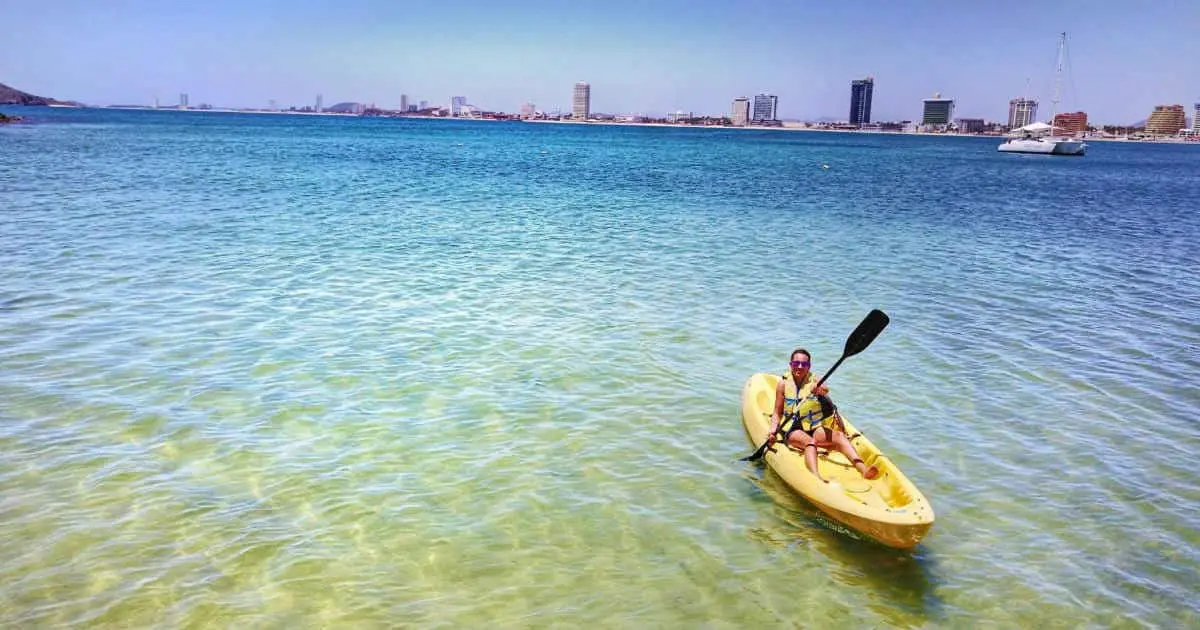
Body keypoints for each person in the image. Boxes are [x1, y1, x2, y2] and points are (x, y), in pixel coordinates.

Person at [765, 347, 879, 483]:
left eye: (804, 364)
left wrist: (818, 389)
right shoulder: (782, 385)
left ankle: (863, 469)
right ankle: (816, 477)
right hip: (793, 429)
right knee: (810, 442)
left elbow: (825, 389)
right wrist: (772, 431)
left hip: (813, 426)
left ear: (809, 367)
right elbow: (777, 413)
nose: (800, 367)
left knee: (839, 437)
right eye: (796, 363)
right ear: (790, 365)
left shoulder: (815, 380)